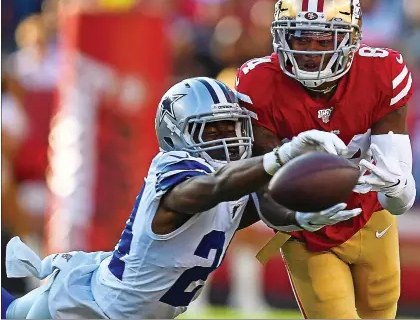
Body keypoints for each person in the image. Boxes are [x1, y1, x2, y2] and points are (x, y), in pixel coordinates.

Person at [1, 77, 361, 319]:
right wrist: (278, 158)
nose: (226, 138)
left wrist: (300, 216)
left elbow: (262, 206)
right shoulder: (176, 169)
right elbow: (211, 189)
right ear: (179, 134)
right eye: (211, 129)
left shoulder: (233, 181)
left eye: (231, 127)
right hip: (89, 312)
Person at [235, 0, 416, 319]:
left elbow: (400, 201)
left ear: (352, 38)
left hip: (371, 218)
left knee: (381, 312)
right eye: (300, 38)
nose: (309, 52)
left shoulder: (381, 72)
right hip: (307, 233)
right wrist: (298, 217)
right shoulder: (258, 84)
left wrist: (395, 184)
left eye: (323, 39)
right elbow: (264, 190)